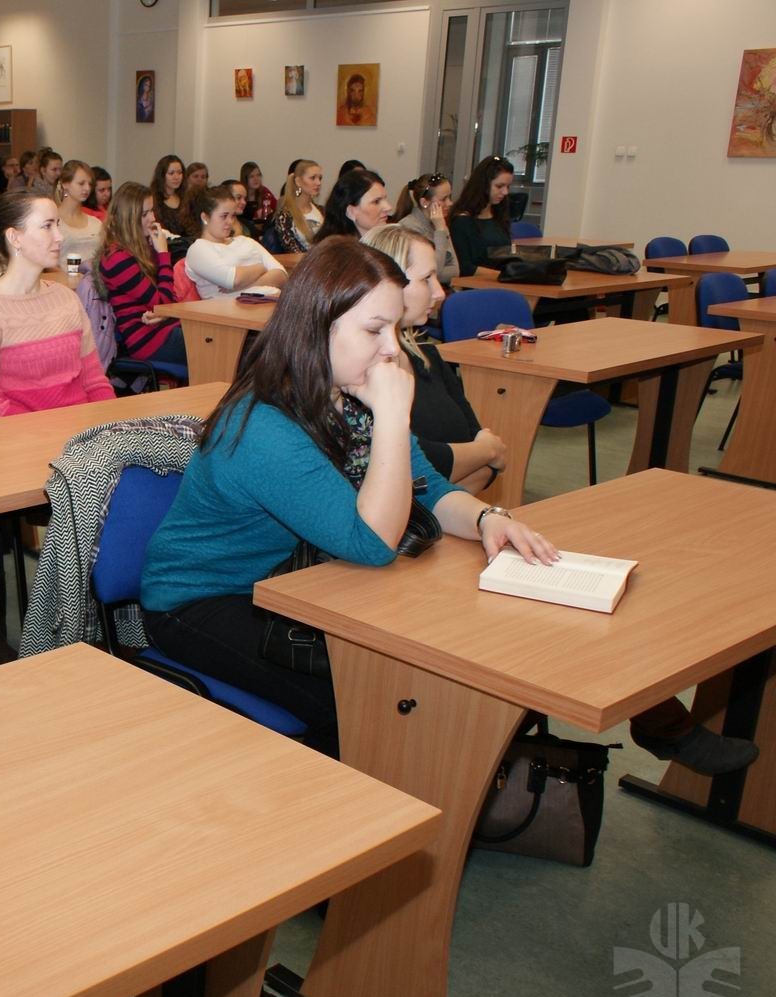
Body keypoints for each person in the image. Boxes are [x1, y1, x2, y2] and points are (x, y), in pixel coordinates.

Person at [140, 237, 554, 760]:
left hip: (297, 579)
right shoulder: (264, 427)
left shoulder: (348, 394)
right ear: (318, 326)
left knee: (407, 676)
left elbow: (425, 485)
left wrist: (486, 518)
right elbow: (373, 543)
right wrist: (393, 417)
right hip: (202, 599)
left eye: (397, 330)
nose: (393, 350)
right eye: (375, 330)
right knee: (360, 700)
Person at [362, 224, 502, 494]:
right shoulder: (357, 374)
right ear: (389, 282)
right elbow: (411, 464)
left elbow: (473, 436)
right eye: (426, 279)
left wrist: (480, 455)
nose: (439, 293)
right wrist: (486, 452)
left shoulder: (428, 356)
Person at [0, 190, 113, 420]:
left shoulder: (67, 299)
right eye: (47, 226)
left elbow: (96, 384)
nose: (59, 237)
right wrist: (56, 431)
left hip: (82, 434)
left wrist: (108, 428)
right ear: (15, 237)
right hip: (25, 437)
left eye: (57, 225)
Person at [95, 182, 185, 366]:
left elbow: (168, 301)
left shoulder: (142, 248)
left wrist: (166, 313)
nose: (153, 218)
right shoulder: (117, 258)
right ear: (128, 218)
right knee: (222, 346)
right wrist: (163, 254)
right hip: (149, 340)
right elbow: (163, 304)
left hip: (164, 329)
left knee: (224, 340)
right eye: (144, 214)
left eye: (151, 211)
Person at [183, 185, 288, 300]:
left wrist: (245, 285)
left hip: (272, 302)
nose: (230, 221)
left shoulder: (245, 241)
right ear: (205, 217)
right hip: (231, 308)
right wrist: (261, 268)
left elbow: (282, 275)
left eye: (232, 216)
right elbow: (233, 280)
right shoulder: (198, 249)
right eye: (224, 216)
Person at [449, 155, 515, 278]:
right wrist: (505, 275)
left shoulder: (499, 214)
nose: (505, 192)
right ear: (483, 185)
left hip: (501, 280)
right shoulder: (462, 222)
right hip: (478, 284)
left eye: (508, 187)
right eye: (499, 186)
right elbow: (465, 268)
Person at [393, 172, 460, 287]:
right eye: (444, 199)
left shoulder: (439, 223)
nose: (450, 203)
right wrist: (440, 230)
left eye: (450, 197)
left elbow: (455, 271)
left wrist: (441, 228)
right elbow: (432, 273)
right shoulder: (408, 227)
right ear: (424, 202)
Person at [314, 168, 393, 243]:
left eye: (385, 199)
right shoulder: (335, 251)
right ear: (351, 212)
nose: (388, 207)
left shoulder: (388, 243)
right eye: (376, 201)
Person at [55, 160, 103, 272]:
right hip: (62, 279)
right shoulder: (52, 221)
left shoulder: (96, 223)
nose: (87, 188)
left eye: (90, 184)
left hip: (92, 280)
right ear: (65, 184)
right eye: (81, 183)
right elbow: (45, 260)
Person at [271, 158, 323, 253]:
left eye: (320, 178)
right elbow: (291, 248)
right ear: (298, 181)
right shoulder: (285, 215)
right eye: (312, 178)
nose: (318, 183)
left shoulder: (322, 211)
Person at [150, 154, 186, 238]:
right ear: (162, 176)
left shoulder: (186, 197)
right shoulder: (153, 199)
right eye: (171, 173)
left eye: (179, 173)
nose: (176, 177)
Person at [239, 161, 277, 232]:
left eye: (258, 175)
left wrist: (270, 212)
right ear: (245, 179)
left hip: (262, 229)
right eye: (251, 176)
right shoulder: (240, 193)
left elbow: (278, 209)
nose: (256, 179)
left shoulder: (265, 192)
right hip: (244, 229)